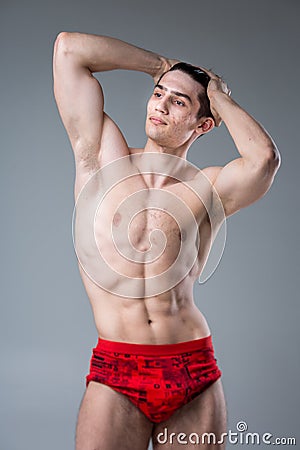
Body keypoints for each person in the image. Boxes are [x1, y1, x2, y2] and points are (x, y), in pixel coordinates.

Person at [53, 32, 280, 450]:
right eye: (159, 94)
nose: (160, 104)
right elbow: (69, 50)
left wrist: (219, 95)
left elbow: (264, 159)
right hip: (116, 366)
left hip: (191, 368)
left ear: (204, 124)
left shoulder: (207, 189)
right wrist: (161, 66)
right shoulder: (101, 156)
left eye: (178, 102)